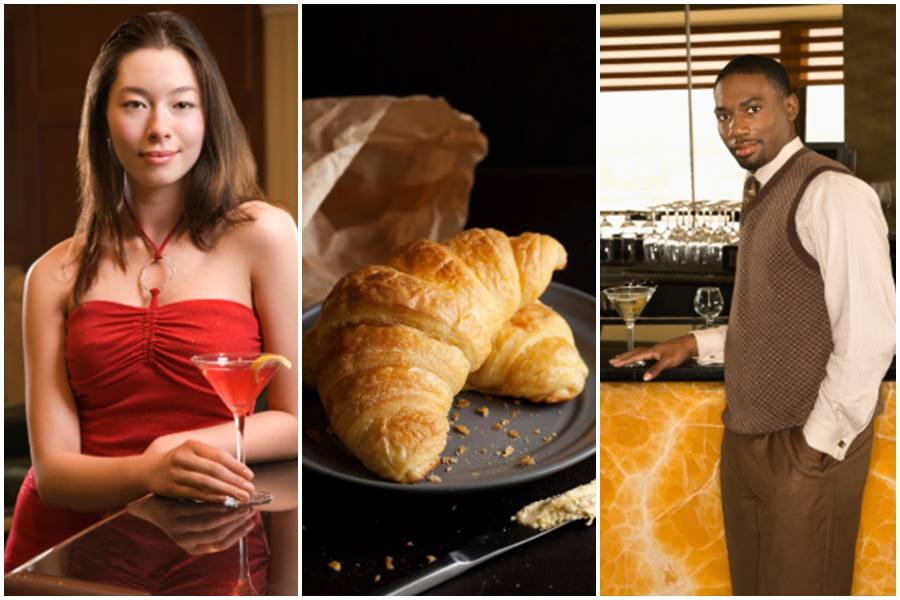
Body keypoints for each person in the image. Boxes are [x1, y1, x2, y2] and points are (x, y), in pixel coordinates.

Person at [5, 12, 298, 572]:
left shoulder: (262, 234)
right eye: (135, 103)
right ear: (103, 121)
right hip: (68, 552)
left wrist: (180, 448)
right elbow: (55, 474)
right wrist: (147, 470)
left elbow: (291, 423)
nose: (159, 126)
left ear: (208, 116)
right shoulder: (53, 274)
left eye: (182, 104)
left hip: (214, 540)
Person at [610, 55, 895, 595]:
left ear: (790, 108)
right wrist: (695, 343)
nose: (734, 128)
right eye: (722, 115)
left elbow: (870, 336)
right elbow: (780, 314)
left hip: (805, 448)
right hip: (748, 443)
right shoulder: (763, 189)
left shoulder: (833, 193)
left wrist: (811, 450)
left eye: (751, 109)